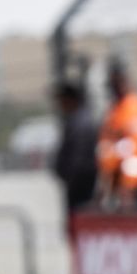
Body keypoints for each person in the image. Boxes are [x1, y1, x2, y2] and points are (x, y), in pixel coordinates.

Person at [96, 58, 137, 210]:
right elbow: (110, 145)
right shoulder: (116, 108)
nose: (114, 88)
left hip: (136, 188)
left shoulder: (136, 107)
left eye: (117, 83)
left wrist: (129, 185)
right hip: (116, 183)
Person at [52, 81, 97, 214]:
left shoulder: (80, 123)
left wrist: (71, 179)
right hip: (77, 183)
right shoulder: (76, 120)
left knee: (79, 216)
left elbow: (78, 159)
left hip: (80, 185)